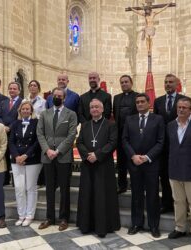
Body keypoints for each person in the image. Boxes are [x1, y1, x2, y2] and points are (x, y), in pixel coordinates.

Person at [76, 99, 121, 238]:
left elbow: (113, 142)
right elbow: (79, 142)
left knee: (102, 195)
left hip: (104, 165)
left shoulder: (110, 124)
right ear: (89, 110)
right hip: (88, 165)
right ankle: (86, 225)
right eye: (92, 107)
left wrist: (97, 154)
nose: (94, 109)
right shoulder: (85, 125)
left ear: (102, 109)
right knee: (87, 193)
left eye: (97, 107)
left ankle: (103, 226)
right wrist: (87, 155)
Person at [122, 93, 165, 238]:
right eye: (137, 102)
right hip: (134, 163)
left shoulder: (158, 119)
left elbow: (160, 142)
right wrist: (133, 156)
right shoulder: (130, 119)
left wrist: (147, 157)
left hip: (151, 164)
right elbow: (125, 140)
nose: (139, 104)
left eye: (142, 102)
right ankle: (136, 223)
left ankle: (154, 225)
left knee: (152, 196)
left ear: (148, 103)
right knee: (136, 195)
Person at [166, 97, 191, 246]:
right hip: (174, 169)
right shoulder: (170, 125)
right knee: (178, 201)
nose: (181, 110)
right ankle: (180, 227)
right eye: (179, 107)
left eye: (184, 107)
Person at [37, 87, 77, 231]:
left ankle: (64, 218)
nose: (57, 97)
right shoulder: (44, 114)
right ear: (51, 97)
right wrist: (47, 150)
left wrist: (58, 150)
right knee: (49, 189)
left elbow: (72, 135)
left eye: (60, 96)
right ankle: (49, 218)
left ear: (64, 98)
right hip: (47, 156)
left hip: (63, 156)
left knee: (64, 189)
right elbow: (40, 133)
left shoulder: (71, 114)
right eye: (55, 95)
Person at [153, 73, 185, 214]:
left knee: (179, 176)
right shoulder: (158, 101)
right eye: (166, 82)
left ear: (177, 84)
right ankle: (166, 203)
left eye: (171, 82)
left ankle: (181, 205)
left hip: (179, 144)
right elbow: (155, 122)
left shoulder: (184, 100)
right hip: (162, 145)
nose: (168, 84)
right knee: (164, 176)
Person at [8, 101, 42, 227]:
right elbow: (11, 141)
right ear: (20, 111)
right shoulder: (16, 123)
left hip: (32, 159)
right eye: (23, 109)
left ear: (31, 111)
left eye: (28, 109)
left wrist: (26, 155)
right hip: (16, 160)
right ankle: (21, 215)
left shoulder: (36, 123)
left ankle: (29, 215)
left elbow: (37, 142)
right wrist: (17, 156)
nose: (26, 111)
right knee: (19, 188)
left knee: (30, 188)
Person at [113, 75, 138, 194]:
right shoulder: (116, 98)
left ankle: (135, 185)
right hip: (120, 135)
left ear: (131, 83)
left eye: (126, 82)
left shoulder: (138, 96)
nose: (124, 84)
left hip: (133, 136)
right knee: (121, 162)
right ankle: (121, 185)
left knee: (133, 162)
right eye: (122, 82)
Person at [0, 82, 23, 185]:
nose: (12, 90)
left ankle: (16, 181)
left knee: (15, 155)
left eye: (14, 89)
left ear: (19, 91)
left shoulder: (22, 102)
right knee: (4, 156)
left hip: (15, 133)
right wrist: (2, 126)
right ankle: (6, 179)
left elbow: (20, 117)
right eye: (10, 88)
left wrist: (10, 127)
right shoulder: (4, 102)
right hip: (3, 133)